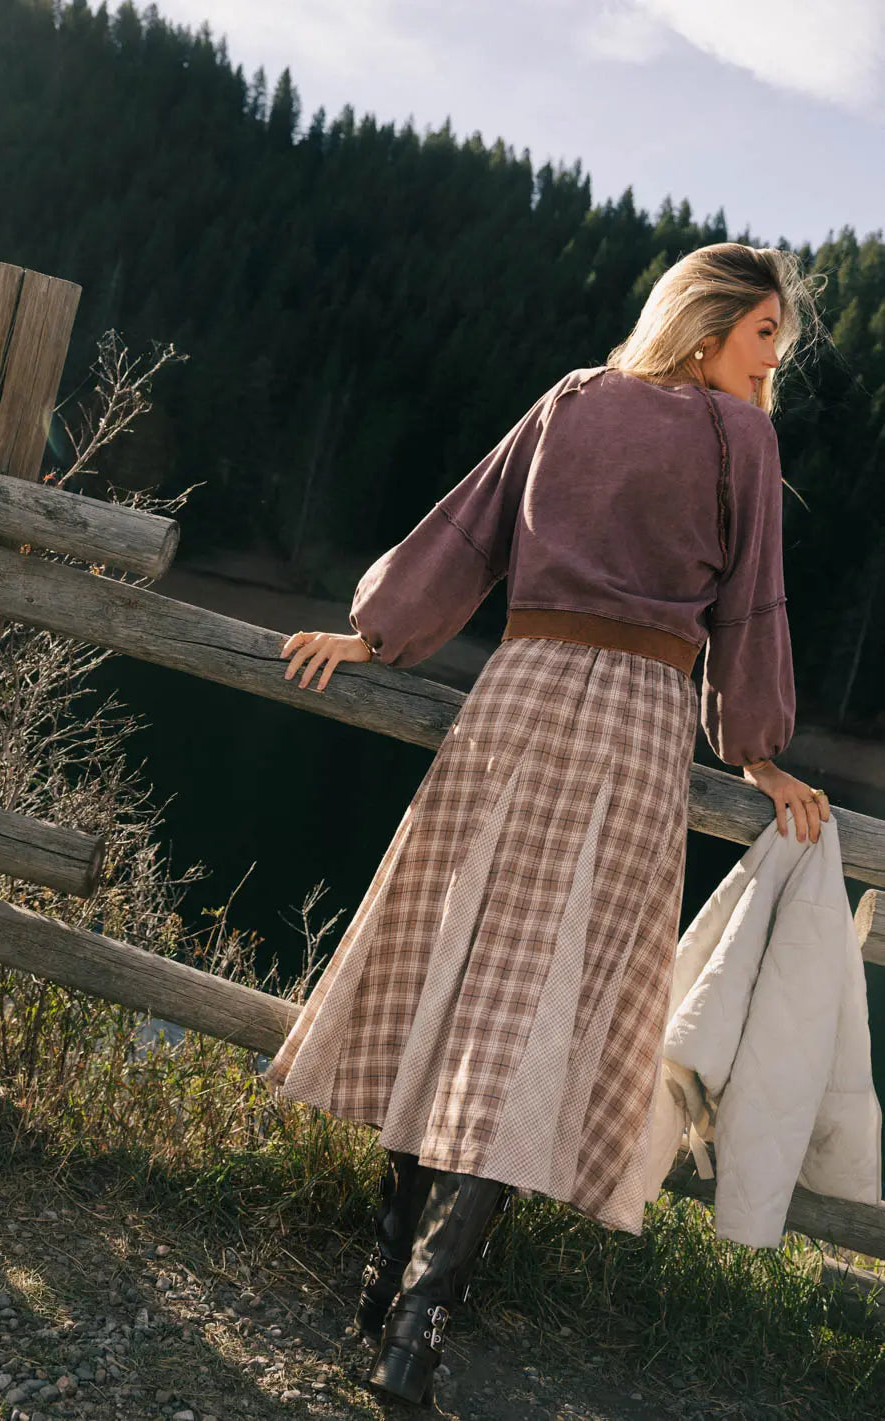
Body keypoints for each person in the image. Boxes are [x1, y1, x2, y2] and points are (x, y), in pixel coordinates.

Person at [264, 242, 832, 1408]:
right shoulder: (741, 438)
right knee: (546, 1007)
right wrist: (760, 752)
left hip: (515, 697)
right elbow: (751, 605)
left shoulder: (573, 396)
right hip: (633, 725)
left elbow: (467, 533)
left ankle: (382, 1277)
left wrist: (375, 633)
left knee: (454, 967)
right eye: (765, 333)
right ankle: (420, 1322)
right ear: (709, 330)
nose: (774, 358)